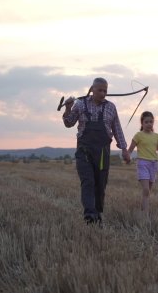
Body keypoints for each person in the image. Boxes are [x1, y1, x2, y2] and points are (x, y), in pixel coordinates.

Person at [62, 77, 131, 225]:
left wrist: (124, 149)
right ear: (92, 89)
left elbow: (117, 128)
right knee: (88, 182)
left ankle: (98, 213)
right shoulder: (80, 104)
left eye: (105, 90)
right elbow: (69, 123)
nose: (103, 93)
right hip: (84, 151)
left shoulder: (111, 107)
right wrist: (68, 107)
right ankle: (89, 215)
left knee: (100, 184)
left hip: (102, 153)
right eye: (100, 90)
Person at [127, 111, 158, 213]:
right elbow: (130, 149)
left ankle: (143, 208)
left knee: (148, 191)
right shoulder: (138, 135)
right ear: (142, 123)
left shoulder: (157, 136)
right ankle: (146, 213)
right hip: (142, 163)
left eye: (151, 122)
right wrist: (127, 157)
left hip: (154, 164)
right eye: (146, 122)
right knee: (146, 189)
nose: (149, 124)